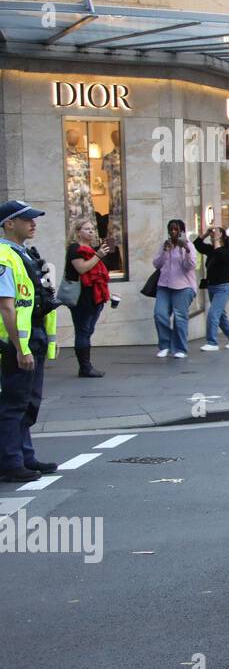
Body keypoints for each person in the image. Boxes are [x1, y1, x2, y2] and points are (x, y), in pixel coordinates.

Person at [0, 201, 60, 484]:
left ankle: (25, 455)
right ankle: (11, 462)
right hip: (14, 342)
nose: (33, 223)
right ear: (9, 224)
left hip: (30, 338)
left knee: (27, 403)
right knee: (13, 404)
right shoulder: (3, 255)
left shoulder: (21, 252)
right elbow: (7, 307)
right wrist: (20, 347)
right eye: (27, 219)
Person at [63, 218, 112, 378]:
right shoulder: (75, 248)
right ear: (78, 232)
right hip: (81, 298)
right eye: (86, 229)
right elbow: (82, 269)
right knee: (83, 332)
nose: (91, 231)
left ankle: (85, 366)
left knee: (87, 331)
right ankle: (85, 367)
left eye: (92, 229)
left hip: (95, 296)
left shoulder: (91, 249)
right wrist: (98, 255)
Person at [153, 219, 198, 359]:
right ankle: (165, 345)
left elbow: (190, 265)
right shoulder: (165, 245)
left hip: (183, 286)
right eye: (171, 229)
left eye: (176, 229)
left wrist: (186, 249)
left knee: (180, 317)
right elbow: (157, 264)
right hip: (164, 286)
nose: (173, 232)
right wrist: (165, 251)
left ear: (182, 231)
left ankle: (180, 348)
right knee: (159, 314)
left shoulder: (188, 245)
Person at [193, 226, 229, 351]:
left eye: (216, 235)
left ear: (223, 237)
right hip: (212, 286)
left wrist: (218, 240)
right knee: (220, 315)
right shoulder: (211, 250)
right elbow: (197, 244)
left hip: (223, 288)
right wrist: (206, 233)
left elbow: (223, 256)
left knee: (213, 314)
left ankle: (212, 342)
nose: (214, 236)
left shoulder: (227, 251)